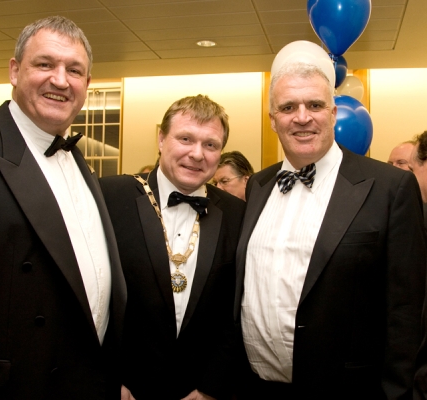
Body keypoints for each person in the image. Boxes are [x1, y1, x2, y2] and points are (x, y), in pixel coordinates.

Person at [0, 16, 126, 399]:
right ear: (15, 71)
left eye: (74, 70)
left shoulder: (80, 163)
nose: (60, 80)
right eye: (45, 64)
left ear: (87, 84)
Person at [234, 60, 426, 399]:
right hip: (256, 388)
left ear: (333, 113)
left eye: (315, 105)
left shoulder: (390, 187)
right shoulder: (259, 185)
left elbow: (406, 310)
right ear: (273, 120)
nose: (302, 117)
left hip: (349, 391)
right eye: (288, 107)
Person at [99, 94, 245, 400]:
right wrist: (110, 379)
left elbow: (236, 311)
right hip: (123, 387)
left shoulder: (237, 214)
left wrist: (210, 388)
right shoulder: (110, 197)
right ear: (161, 139)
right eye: (185, 138)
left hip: (198, 390)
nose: (197, 154)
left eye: (210, 144)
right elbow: (89, 297)